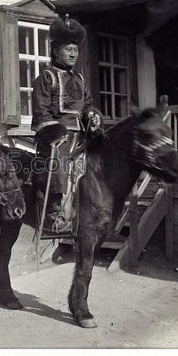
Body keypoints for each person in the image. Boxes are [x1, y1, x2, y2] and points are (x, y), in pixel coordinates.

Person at [31, 15, 102, 236]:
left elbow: (87, 105)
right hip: (55, 138)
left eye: (75, 49)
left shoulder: (79, 79)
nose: (73, 53)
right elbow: (41, 111)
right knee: (59, 174)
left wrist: (93, 116)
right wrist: (55, 133)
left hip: (79, 138)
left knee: (82, 176)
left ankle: (78, 217)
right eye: (68, 49)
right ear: (55, 51)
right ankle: (52, 219)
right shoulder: (47, 77)